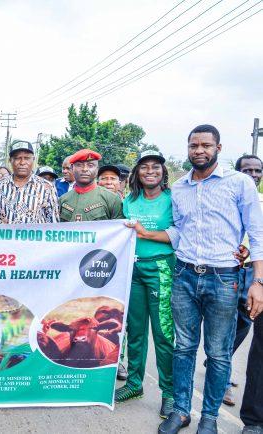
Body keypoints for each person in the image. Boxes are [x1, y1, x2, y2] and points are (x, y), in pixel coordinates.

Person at [130, 125, 263, 434]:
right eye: (194, 145)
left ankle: (209, 418)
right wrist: (147, 234)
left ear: (218, 147)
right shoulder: (179, 188)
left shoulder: (240, 183)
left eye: (205, 145)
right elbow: (179, 231)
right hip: (185, 275)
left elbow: (256, 235)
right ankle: (181, 411)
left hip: (224, 279)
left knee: (217, 352)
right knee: (184, 348)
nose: (199, 150)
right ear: (187, 149)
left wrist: (258, 282)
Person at [114, 150, 175, 419]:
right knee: (135, 330)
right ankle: (134, 384)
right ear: (137, 172)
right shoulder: (130, 200)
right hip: (133, 269)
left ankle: (170, 393)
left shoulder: (173, 201)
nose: (150, 171)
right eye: (144, 167)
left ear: (163, 172)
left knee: (163, 333)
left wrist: (146, 233)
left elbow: (180, 235)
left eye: (155, 167)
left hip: (160, 268)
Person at [224, 155, 263, 408]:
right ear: (238, 173)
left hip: (254, 271)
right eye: (247, 169)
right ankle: (224, 379)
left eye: (257, 170)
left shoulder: (261, 201)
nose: (253, 174)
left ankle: (220, 360)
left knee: (245, 324)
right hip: (232, 268)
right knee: (227, 325)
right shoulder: (232, 197)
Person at [0, 141, 59, 224]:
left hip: (35, 236)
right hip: (5, 236)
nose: (22, 162)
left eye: (27, 158)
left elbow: (53, 221)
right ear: (10, 160)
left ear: (33, 160)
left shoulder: (47, 187)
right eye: (17, 158)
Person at [58, 149, 123, 222]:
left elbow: (119, 230)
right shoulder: (62, 200)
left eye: (90, 165)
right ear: (72, 168)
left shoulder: (112, 199)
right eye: (79, 165)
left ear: (97, 169)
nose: (85, 169)